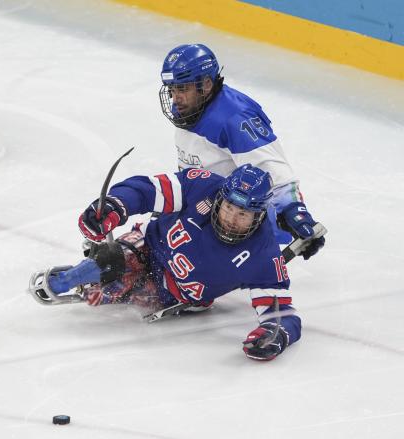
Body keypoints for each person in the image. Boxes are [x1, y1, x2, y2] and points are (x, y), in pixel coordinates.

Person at [31, 164, 301, 361]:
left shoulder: (265, 255)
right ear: (221, 197)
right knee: (113, 261)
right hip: (147, 245)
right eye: (228, 207)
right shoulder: (203, 185)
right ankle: (67, 279)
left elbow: (282, 316)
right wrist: (115, 206)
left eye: (242, 214)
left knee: (109, 291)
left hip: (171, 293)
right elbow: (148, 189)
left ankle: (88, 282)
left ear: (258, 216)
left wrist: (274, 335)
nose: (231, 218)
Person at [158, 43, 324, 259]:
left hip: (236, 223)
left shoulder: (236, 119)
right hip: (206, 208)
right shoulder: (189, 106)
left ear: (206, 84)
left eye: (182, 89)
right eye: (171, 89)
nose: (175, 98)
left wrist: (294, 213)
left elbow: (276, 173)